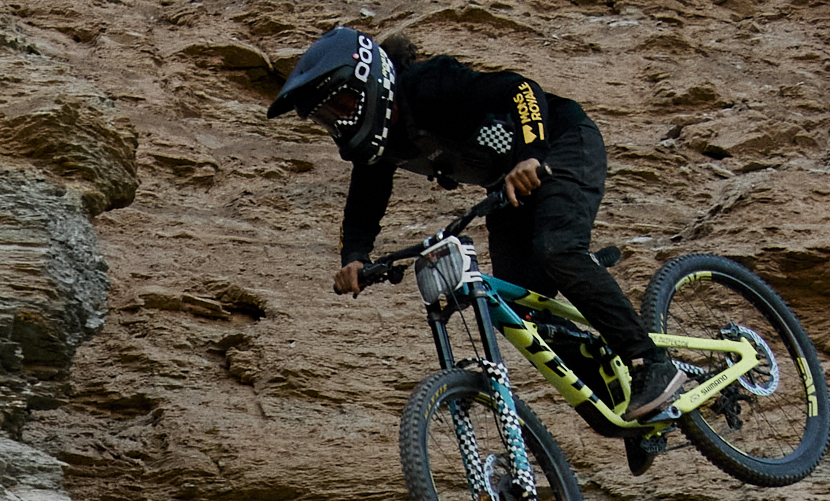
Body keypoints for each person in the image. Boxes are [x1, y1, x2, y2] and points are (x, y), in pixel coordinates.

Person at [269, 28, 686, 427]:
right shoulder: (381, 146)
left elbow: (521, 90)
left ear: (370, 81)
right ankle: (624, 401)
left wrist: (530, 154)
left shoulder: (430, 86)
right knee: (519, 310)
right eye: (327, 117)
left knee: (558, 249)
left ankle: (651, 363)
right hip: (508, 185)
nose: (338, 122)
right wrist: (355, 257)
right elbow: (364, 200)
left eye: (341, 106)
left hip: (560, 145)